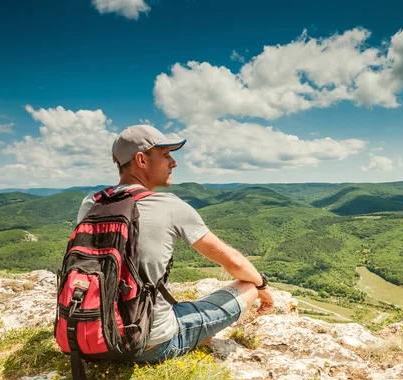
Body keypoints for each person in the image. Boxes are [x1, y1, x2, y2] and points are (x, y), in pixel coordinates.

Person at [76, 124, 274, 363]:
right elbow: (232, 262)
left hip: (89, 337)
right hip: (150, 344)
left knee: (181, 306)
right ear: (141, 160)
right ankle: (194, 336)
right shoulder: (169, 206)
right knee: (248, 287)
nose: (173, 163)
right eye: (166, 155)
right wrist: (262, 286)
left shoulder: (92, 202)